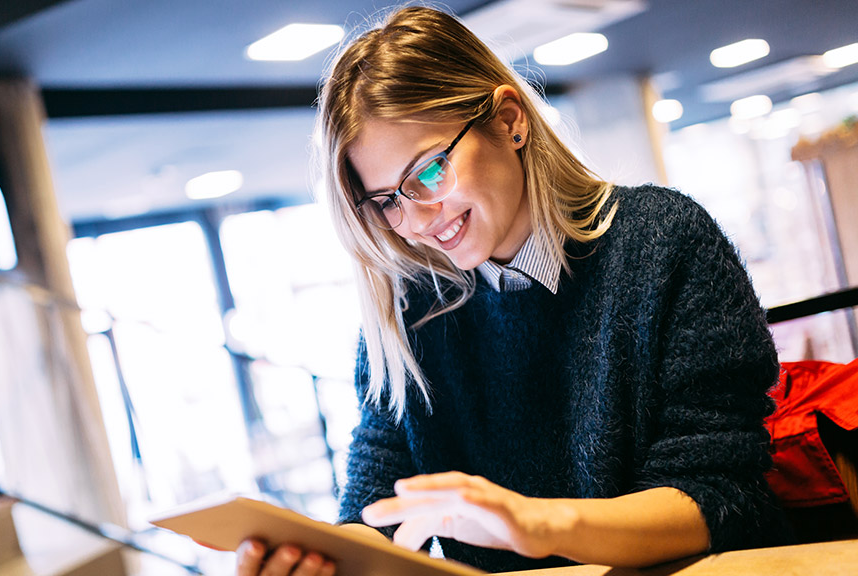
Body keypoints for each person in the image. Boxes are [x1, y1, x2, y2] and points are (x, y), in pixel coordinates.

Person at [237, 5, 791, 575]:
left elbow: (721, 497)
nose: (419, 218)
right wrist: (326, 563)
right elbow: (377, 510)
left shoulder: (662, 241)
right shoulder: (409, 309)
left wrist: (536, 524)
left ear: (508, 121)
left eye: (428, 172)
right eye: (386, 201)